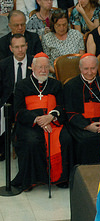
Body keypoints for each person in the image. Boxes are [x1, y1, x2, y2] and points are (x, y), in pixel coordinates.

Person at [12, 52, 65, 191]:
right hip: (29, 124)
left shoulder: (56, 84)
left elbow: (62, 106)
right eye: (40, 67)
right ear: (32, 67)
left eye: (46, 67)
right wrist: (37, 119)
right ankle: (31, 180)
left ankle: (59, 178)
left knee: (66, 139)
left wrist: (51, 116)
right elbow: (18, 110)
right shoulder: (22, 85)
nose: (43, 70)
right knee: (31, 141)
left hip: (52, 122)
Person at [59, 53, 100, 182]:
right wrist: (87, 126)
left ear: (97, 68)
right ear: (80, 68)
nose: (90, 72)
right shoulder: (71, 86)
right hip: (80, 124)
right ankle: (87, 178)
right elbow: (70, 112)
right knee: (87, 140)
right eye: (86, 69)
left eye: (93, 68)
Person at [0, 34, 32, 162]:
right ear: (11, 48)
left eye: (22, 46)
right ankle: (3, 149)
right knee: (3, 112)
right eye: (16, 47)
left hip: (30, 100)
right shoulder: (3, 65)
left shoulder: (34, 62)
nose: (20, 50)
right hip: (9, 100)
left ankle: (23, 147)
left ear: (27, 46)